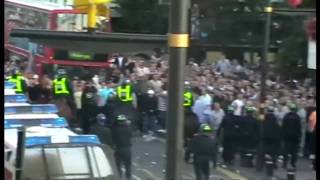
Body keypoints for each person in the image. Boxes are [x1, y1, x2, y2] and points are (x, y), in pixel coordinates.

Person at [111, 114, 133, 180]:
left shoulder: (115, 129)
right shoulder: (128, 128)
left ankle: (119, 177)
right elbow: (131, 135)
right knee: (127, 165)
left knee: (118, 166)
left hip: (118, 148)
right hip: (127, 148)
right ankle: (128, 178)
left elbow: (112, 136)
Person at [281, 103, 302, 169]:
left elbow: (283, 126)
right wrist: (299, 136)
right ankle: (293, 164)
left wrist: (283, 135)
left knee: (286, 150)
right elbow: (299, 127)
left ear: (290, 109)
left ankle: (284, 163)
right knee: (294, 151)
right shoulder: (297, 117)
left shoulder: (286, 116)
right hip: (295, 137)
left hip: (286, 136)